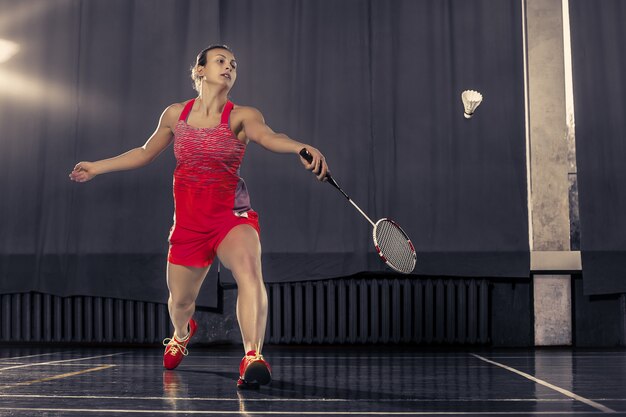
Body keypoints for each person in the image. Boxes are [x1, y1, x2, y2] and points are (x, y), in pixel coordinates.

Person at [69, 44, 329, 389]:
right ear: (200, 70)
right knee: (180, 303)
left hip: (230, 217)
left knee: (250, 272)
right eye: (221, 61)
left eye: (233, 64)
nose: (229, 67)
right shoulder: (175, 114)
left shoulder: (242, 116)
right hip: (190, 225)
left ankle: (253, 356)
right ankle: (181, 332)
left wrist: (299, 147)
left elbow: (269, 136)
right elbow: (146, 152)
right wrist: (96, 168)